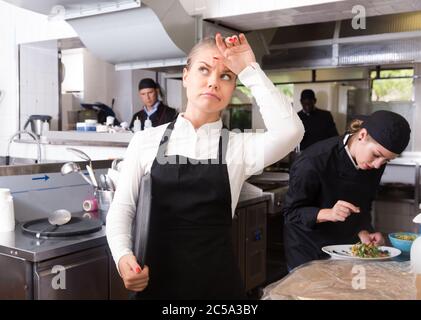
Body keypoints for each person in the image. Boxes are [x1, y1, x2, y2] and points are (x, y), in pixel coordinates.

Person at [106, 33, 304, 299]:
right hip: (154, 283)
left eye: (226, 76)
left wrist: (249, 70)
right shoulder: (145, 140)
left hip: (218, 286)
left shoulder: (238, 147)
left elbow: (291, 131)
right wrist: (122, 257)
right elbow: (123, 208)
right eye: (204, 69)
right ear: (185, 76)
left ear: (234, 87)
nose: (213, 82)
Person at [283, 110, 411, 270]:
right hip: (308, 251)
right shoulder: (313, 161)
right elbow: (292, 213)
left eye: (386, 160)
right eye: (376, 155)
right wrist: (329, 213)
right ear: (362, 135)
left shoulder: (375, 164)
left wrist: (364, 231)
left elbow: (364, 203)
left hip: (346, 250)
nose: (378, 165)